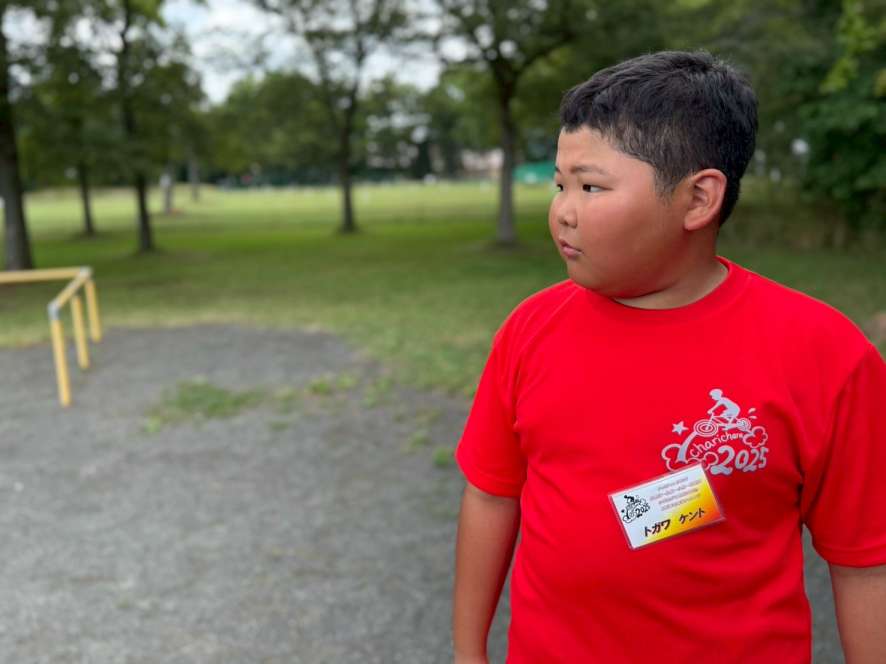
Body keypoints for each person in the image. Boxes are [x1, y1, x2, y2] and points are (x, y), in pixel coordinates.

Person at [452, 50, 886, 664]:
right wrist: (468, 651)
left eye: (591, 187)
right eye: (560, 184)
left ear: (699, 198)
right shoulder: (531, 329)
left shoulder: (825, 355)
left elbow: (867, 565)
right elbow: (491, 494)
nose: (562, 211)